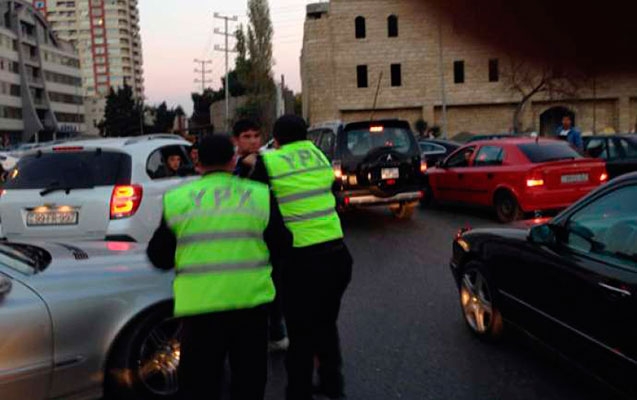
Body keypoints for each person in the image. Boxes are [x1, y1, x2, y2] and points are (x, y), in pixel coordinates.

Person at [146, 135, 292, 400]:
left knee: (200, 386)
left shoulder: (178, 199)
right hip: (250, 308)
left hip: (199, 313)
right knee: (248, 385)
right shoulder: (259, 195)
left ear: (198, 162)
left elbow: (159, 257)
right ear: (233, 159)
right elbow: (283, 244)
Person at [251, 115, 353, 400]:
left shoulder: (270, 162)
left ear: (277, 138)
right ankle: (333, 385)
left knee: (300, 333)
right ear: (305, 135)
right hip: (339, 256)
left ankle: (299, 391)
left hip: (303, 262)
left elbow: (254, 200)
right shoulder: (319, 156)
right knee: (325, 324)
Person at [231, 118, 290, 353]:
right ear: (236, 140)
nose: (253, 141)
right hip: (244, 239)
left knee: (275, 286)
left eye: (256, 136)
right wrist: (245, 168)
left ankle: (277, 331)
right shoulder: (233, 166)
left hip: (271, 235)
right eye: (247, 136)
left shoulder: (269, 161)